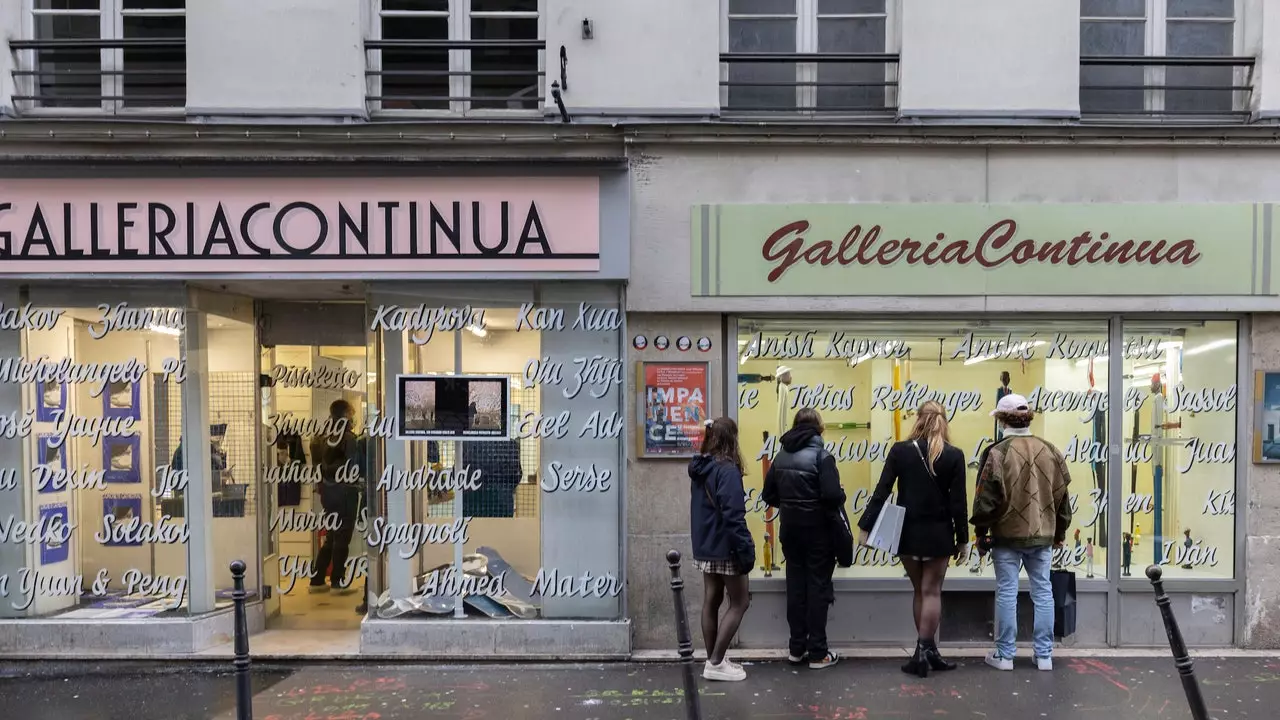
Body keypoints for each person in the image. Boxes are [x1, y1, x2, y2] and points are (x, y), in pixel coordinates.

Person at [858, 400, 968, 677]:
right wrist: (963, 539)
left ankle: (924, 651)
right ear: (944, 420)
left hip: (906, 533)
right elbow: (959, 502)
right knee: (932, 591)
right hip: (939, 533)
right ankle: (925, 649)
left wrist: (865, 527)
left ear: (918, 419)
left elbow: (882, 490)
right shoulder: (954, 455)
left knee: (919, 591)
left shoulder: (900, 451)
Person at [971, 393, 1073, 672]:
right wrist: (1059, 531)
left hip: (1006, 535)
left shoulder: (997, 452)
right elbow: (1063, 498)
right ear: (1029, 418)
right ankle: (1044, 656)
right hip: (1043, 534)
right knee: (1043, 592)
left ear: (1001, 420)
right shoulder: (1051, 450)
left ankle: (1005, 656)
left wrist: (981, 534)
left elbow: (985, 501)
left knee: (1007, 592)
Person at [762, 407, 845, 670]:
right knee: (818, 588)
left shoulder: (781, 455)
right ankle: (818, 652)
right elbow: (832, 497)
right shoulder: (823, 456)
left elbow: (768, 494)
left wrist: (789, 504)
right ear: (818, 428)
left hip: (791, 531)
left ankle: (796, 648)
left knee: (796, 587)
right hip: (818, 532)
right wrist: (838, 495)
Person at [688, 417, 755, 682]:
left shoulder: (702, 467)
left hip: (706, 546)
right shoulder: (727, 470)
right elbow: (733, 515)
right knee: (740, 601)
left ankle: (714, 658)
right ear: (732, 439)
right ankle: (715, 662)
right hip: (726, 546)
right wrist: (745, 549)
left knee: (712, 600)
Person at [309, 399, 363, 595]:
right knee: (342, 536)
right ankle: (338, 581)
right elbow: (352, 467)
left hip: (327, 493)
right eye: (352, 413)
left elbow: (318, 468)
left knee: (332, 535)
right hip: (345, 492)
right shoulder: (348, 438)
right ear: (346, 415)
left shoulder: (321, 438)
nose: (354, 417)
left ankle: (317, 579)